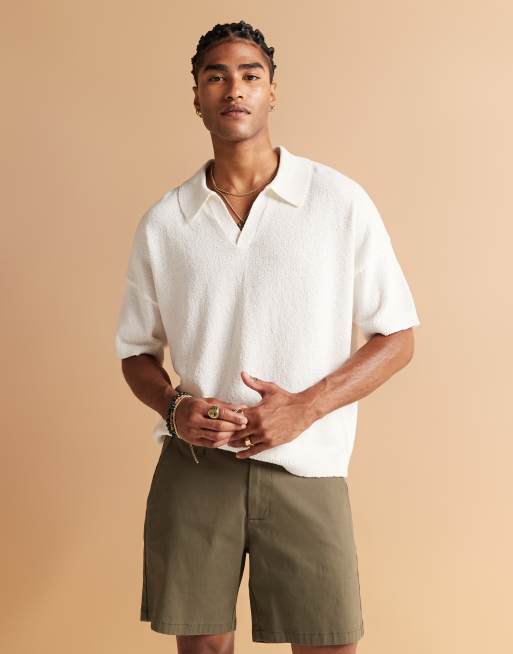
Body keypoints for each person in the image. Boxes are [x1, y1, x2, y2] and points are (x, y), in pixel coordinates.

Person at [114, 19, 420, 654]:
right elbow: (136, 352)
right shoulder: (165, 223)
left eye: (250, 75)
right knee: (203, 648)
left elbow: (397, 336)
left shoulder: (337, 202)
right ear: (196, 97)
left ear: (272, 91)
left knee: (328, 643)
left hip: (306, 465)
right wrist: (174, 407)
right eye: (216, 77)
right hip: (196, 467)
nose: (234, 89)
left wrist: (304, 407)